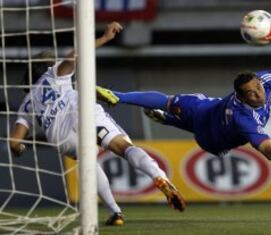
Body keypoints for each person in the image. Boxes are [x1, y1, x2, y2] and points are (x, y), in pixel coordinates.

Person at [9, 22, 186, 226]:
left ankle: (116, 212)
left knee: (88, 163)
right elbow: (74, 55)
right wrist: (104, 38)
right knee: (124, 148)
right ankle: (161, 178)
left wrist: (20, 149)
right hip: (82, 112)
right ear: (46, 67)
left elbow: (14, 142)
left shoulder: (26, 104)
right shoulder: (53, 73)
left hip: (60, 137)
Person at [96, 69, 271, 173]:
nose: (258, 93)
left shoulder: (262, 82)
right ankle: (118, 96)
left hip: (212, 137)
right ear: (240, 96)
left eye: (258, 88)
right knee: (168, 101)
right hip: (204, 112)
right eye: (251, 93)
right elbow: (269, 151)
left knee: (194, 124)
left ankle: (168, 120)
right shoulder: (246, 119)